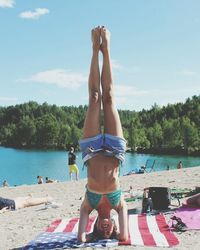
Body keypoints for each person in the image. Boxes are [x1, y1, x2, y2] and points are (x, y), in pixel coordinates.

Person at [77, 26, 128, 243]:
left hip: (91, 150)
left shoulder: (89, 205)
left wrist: (89, 236)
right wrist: (118, 235)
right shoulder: (120, 204)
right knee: (109, 97)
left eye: (102, 231)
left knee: (95, 97)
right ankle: (106, 49)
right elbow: (124, 236)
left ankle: (94, 50)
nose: (107, 229)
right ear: (115, 225)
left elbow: (81, 239)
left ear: (96, 226)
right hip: (115, 151)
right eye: (110, 231)